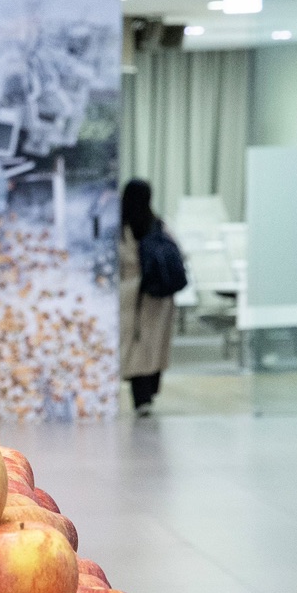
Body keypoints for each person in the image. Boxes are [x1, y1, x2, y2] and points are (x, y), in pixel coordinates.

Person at [119, 178, 179, 416]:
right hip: (159, 298)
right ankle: (148, 394)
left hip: (131, 296)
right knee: (154, 347)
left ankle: (142, 396)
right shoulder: (158, 225)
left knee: (136, 347)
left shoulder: (121, 228)